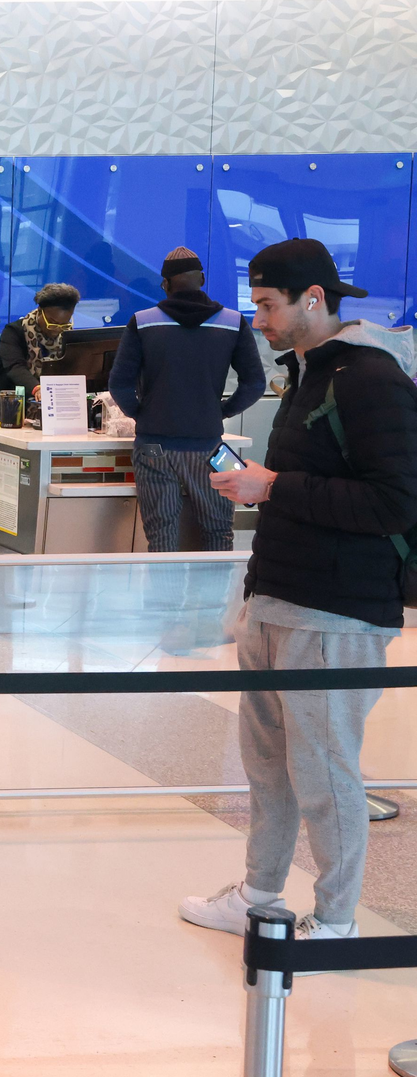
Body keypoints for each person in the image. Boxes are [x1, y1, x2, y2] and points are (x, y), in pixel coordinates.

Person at [182, 238, 417, 944]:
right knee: (269, 763)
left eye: (267, 304)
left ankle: (338, 919)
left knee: (323, 771)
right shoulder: (311, 371)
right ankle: (259, 892)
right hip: (281, 596)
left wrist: (274, 485)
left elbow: (396, 502)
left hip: (337, 609)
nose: (258, 319)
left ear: (314, 299)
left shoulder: (372, 378)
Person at [109, 246, 266, 552]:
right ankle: (217, 601)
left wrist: (145, 415)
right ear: (202, 279)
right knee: (219, 532)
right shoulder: (233, 323)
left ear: (165, 284)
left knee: (162, 533)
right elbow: (256, 383)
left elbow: (119, 384)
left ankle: (163, 599)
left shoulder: (143, 321)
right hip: (207, 444)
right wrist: (221, 411)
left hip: (154, 445)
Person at [0, 283, 81, 421]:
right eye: (52, 322)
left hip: (44, 415)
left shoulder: (68, 338)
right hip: (0, 412)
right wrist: (38, 389)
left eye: (64, 324)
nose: (57, 329)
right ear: (40, 311)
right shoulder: (14, 331)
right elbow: (15, 367)